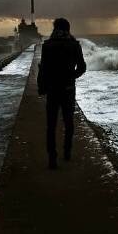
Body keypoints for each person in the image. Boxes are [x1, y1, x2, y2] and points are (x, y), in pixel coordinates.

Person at [37, 17, 86, 169]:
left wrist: (41, 87)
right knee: (69, 122)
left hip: (52, 89)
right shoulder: (74, 45)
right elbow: (82, 67)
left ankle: (52, 158)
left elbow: (42, 69)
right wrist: (72, 77)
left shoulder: (48, 45)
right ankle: (67, 152)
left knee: (51, 125)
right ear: (68, 28)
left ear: (54, 29)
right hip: (68, 89)